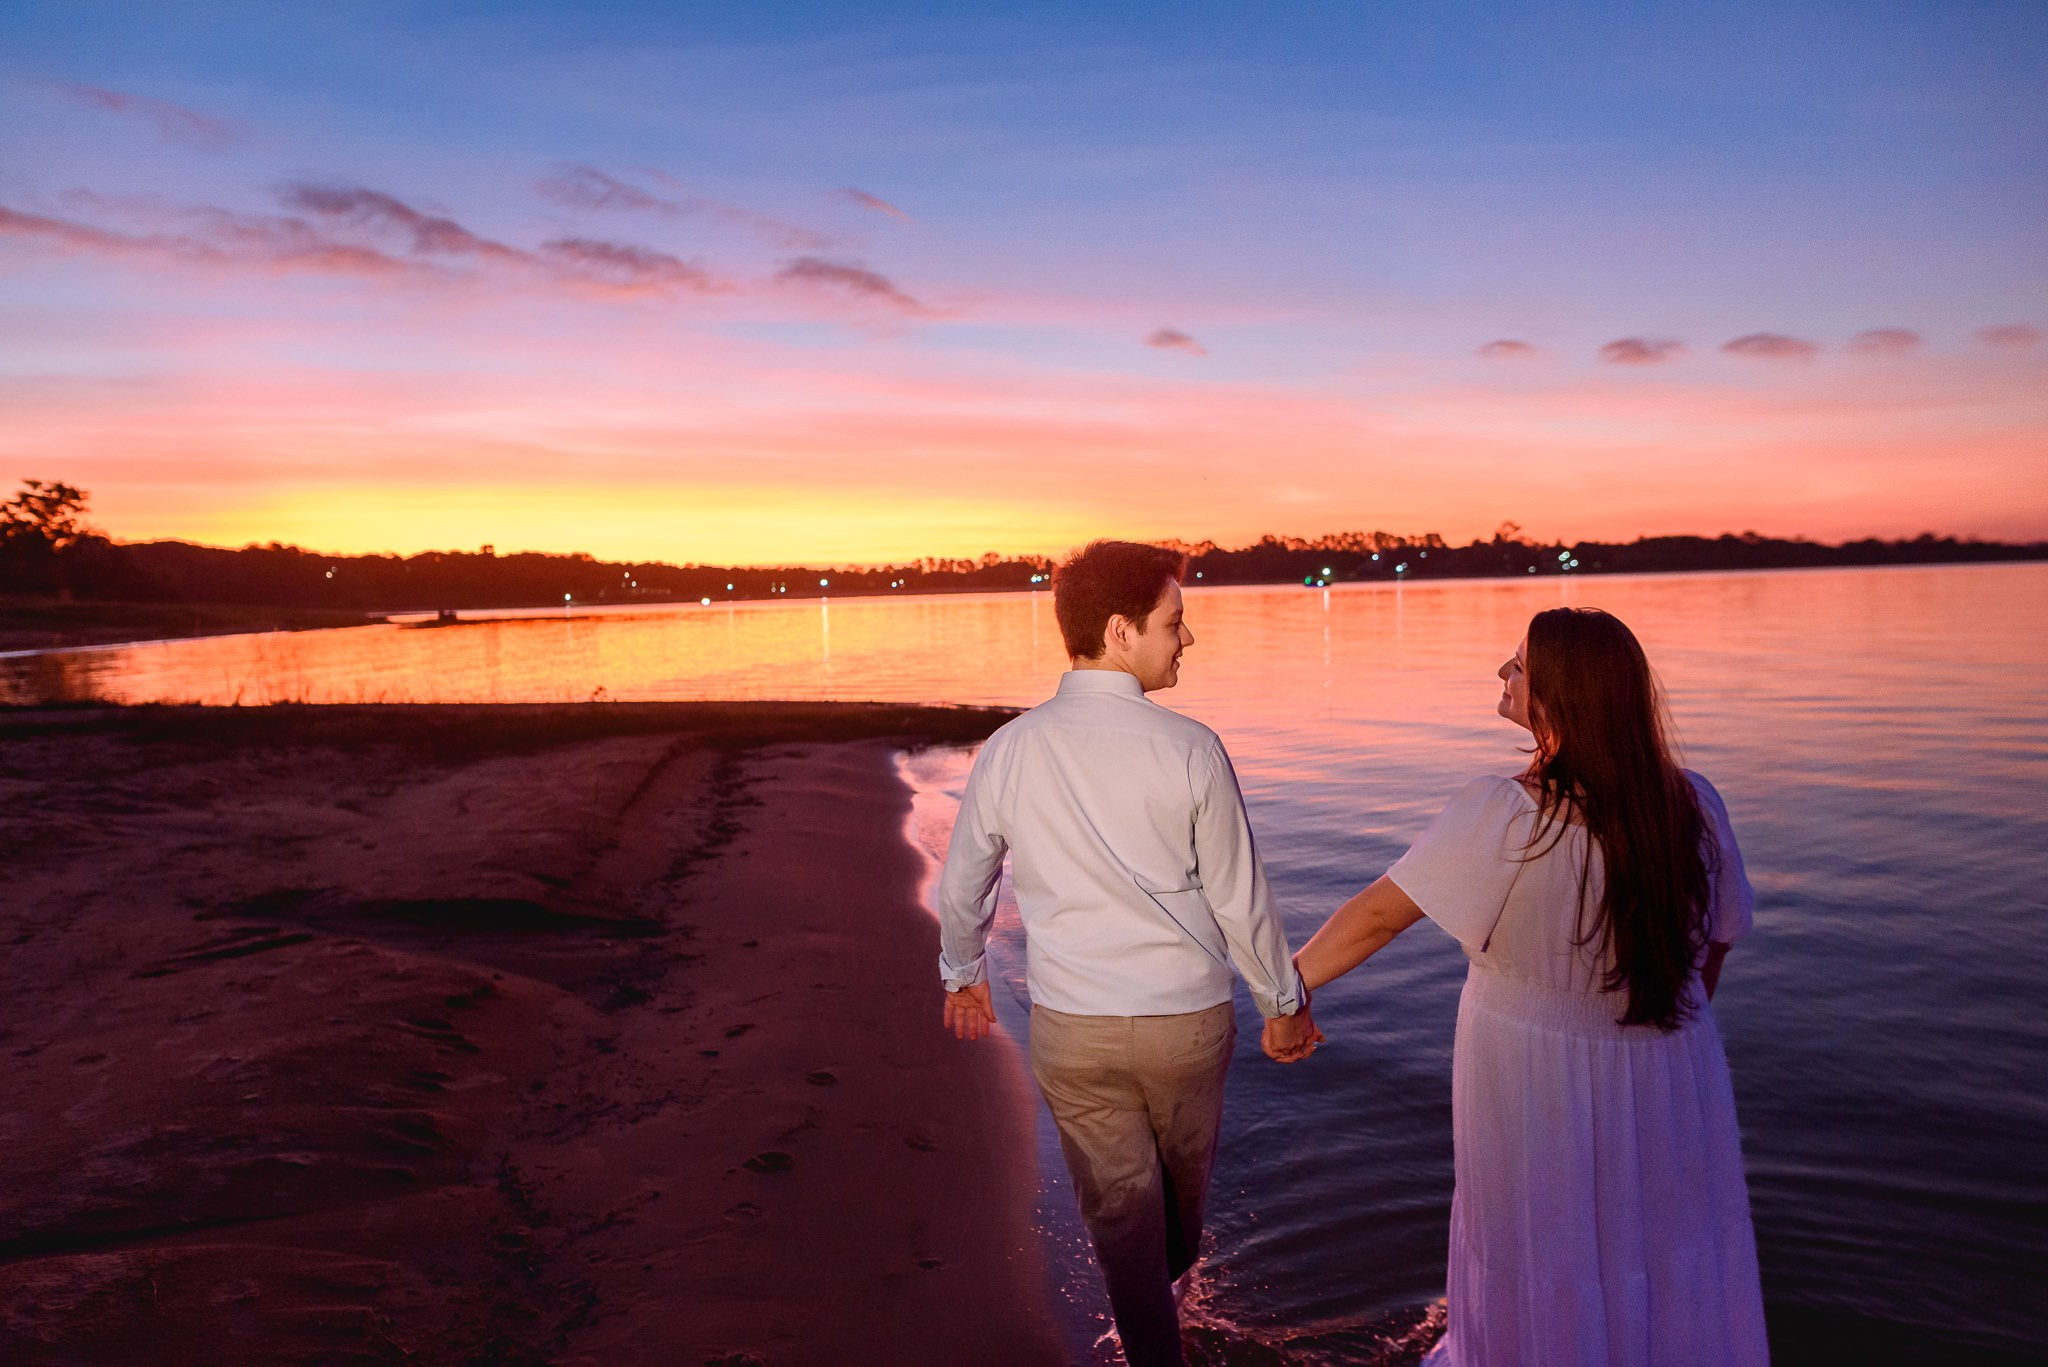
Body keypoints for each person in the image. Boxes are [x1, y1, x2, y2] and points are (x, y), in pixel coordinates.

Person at [1271, 606, 1767, 1365]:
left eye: (1518, 664)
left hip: (1541, 1086)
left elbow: (1376, 917)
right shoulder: (1694, 801)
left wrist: (1286, 993)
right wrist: (1657, 1019)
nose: (1503, 673)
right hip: (1675, 1068)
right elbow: (1718, 942)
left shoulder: (1508, 811)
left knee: (1544, 1239)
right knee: (1666, 1237)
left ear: (1560, 696)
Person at [938, 539, 1320, 1367]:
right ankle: (1159, 1330)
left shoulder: (1010, 748)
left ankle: (1151, 1324)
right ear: (1120, 631)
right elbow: (1239, 897)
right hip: (1185, 1023)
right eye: (1174, 623)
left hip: (1075, 1029)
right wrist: (1282, 1005)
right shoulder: (1191, 749)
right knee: (1174, 1205)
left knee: (1124, 1210)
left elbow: (964, 877)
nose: (1188, 640)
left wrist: (963, 973)